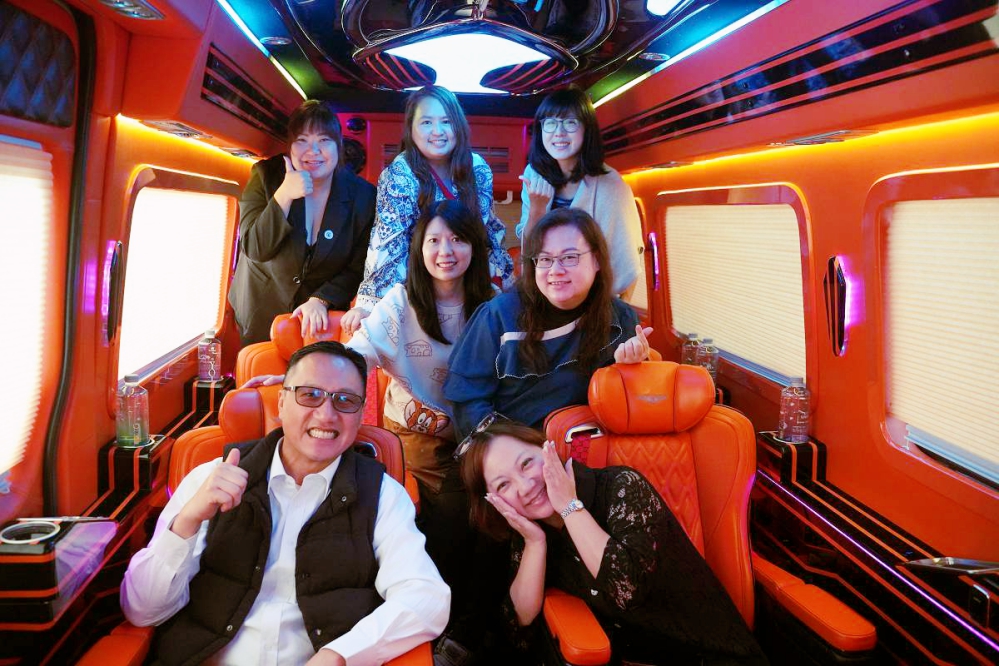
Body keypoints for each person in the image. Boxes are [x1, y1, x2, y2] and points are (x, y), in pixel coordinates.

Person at [120, 341, 450, 666]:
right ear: (281, 402)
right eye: (310, 394)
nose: (326, 414)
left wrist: (340, 656)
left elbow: (426, 598)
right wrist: (188, 520)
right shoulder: (210, 479)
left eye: (345, 400)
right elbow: (142, 611)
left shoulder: (382, 495)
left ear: (361, 413)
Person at [459, 421, 769, 665]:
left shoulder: (622, 486)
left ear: (547, 450)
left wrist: (569, 507)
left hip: (710, 657)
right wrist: (535, 543)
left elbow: (626, 589)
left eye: (526, 463)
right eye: (503, 485)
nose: (525, 486)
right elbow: (519, 623)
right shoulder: (531, 529)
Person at [444, 207, 652, 440]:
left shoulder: (620, 319)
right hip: (512, 446)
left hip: (585, 443)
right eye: (545, 259)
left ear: (596, 260)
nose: (555, 270)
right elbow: (467, 400)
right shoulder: (498, 316)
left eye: (569, 257)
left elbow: (634, 406)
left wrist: (629, 370)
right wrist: (506, 448)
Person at [341, 85, 514, 335]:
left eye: (446, 121)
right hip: (419, 283)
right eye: (426, 123)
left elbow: (485, 231)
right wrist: (371, 304)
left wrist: (505, 284)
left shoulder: (477, 168)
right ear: (411, 129)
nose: (437, 131)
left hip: (468, 277)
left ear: (459, 126)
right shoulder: (399, 174)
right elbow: (389, 242)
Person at [228, 100, 376, 345]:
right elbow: (255, 248)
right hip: (260, 310)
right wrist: (284, 196)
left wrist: (321, 299)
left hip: (318, 321)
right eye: (302, 140)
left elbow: (358, 267)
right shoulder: (265, 176)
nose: (313, 151)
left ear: (338, 145)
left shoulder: (363, 196)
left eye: (323, 140)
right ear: (290, 146)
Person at [517, 87, 643, 298]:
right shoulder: (534, 175)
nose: (559, 132)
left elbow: (625, 262)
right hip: (546, 293)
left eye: (570, 122)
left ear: (587, 129)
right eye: (550, 123)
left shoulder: (611, 186)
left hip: (595, 298)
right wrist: (537, 210)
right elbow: (530, 253)